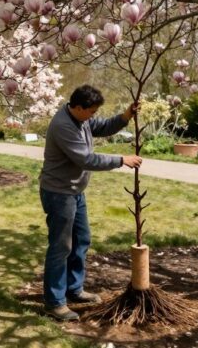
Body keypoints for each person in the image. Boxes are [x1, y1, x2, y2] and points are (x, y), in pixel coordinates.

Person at [39, 85, 142, 321]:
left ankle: (73, 289)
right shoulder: (63, 125)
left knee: (81, 240)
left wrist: (126, 115)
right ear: (77, 107)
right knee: (60, 247)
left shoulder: (80, 118)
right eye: (91, 111)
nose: (93, 116)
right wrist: (121, 160)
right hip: (59, 193)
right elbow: (86, 159)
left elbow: (102, 126)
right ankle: (54, 303)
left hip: (75, 191)